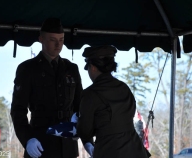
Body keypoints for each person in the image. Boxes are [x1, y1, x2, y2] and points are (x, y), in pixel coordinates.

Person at [10, 18, 93, 158]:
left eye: (61, 40)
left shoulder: (71, 68)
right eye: (52, 40)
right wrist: (28, 139)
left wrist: (87, 140)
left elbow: (80, 109)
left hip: (68, 145)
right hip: (40, 143)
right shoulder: (28, 69)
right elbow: (18, 110)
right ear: (41, 39)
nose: (58, 45)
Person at [76, 45, 151, 158]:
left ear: (92, 67)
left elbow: (85, 131)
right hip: (136, 150)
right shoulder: (124, 88)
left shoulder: (90, 94)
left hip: (110, 150)